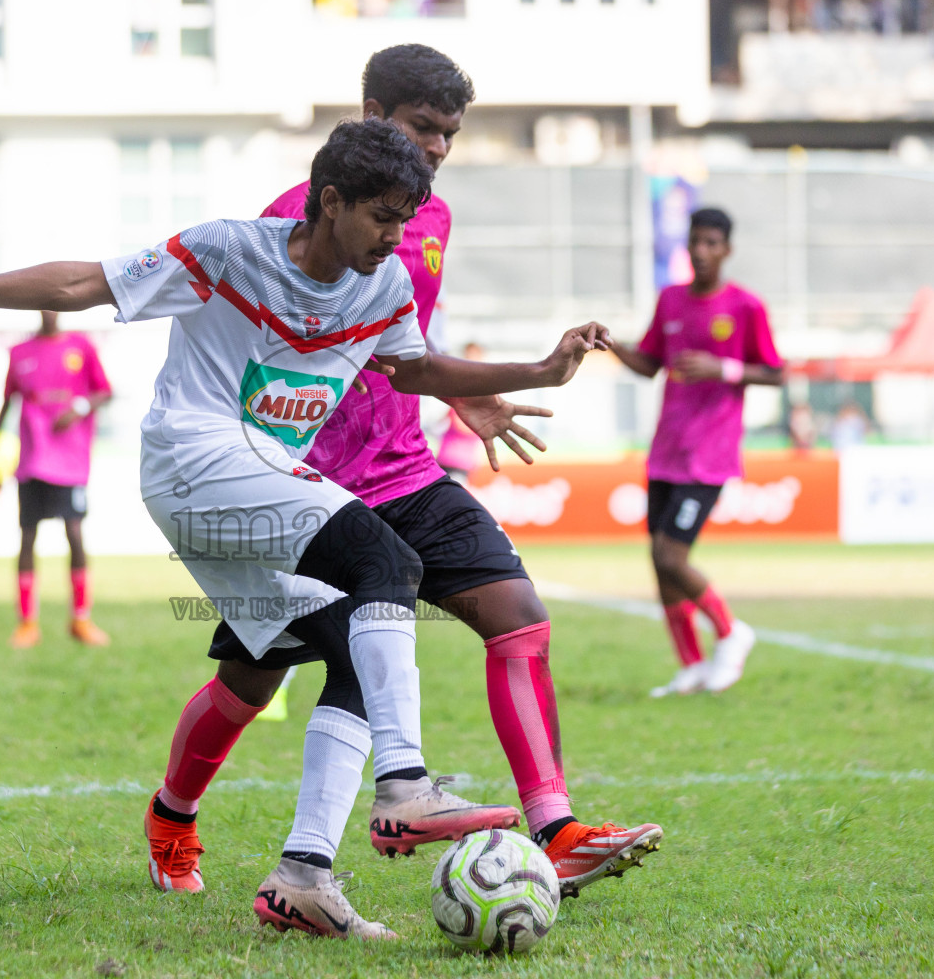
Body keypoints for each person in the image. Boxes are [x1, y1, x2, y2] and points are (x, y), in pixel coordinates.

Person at [0, 118, 612, 938]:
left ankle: (302, 876)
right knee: (387, 563)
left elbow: (415, 368)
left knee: (352, 636)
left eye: (405, 218)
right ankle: (403, 787)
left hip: (256, 481)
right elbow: (82, 285)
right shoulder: (228, 251)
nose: (396, 236)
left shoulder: (383, 284)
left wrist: (536, 370)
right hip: (191, 459)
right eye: (383, 216)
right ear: (330, 201)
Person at [144, 45, 661, 907]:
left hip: (404, 470)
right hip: (301, 485)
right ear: (374, 113)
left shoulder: (433, 219)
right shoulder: (295, 216)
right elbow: (269, 353)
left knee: (517, 615)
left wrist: (475, 395)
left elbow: (401, 350)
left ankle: (556, 830)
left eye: (451, 134)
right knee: (255, 678)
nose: (439, 148)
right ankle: (175, 816)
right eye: (424, 127)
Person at [612, 207, 785, 697]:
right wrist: (610, 344)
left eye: (712, 243)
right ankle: (690, 664)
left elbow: (776, 372)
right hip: (666, 449)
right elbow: (649, 364)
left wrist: (722, 367)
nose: (703, 251)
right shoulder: (670, 300)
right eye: (696, 242)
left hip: (709, 455)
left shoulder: (746, 307)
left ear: (727, 249)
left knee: (672, 556)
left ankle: (731, 632)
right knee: (659, 561)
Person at [0, 311, 113, 649]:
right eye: (43, 304)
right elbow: (7, 403)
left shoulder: (81, 347)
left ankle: (80, 619)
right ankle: (28, 623)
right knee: (27, 536)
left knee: (74, 532)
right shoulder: (19, 352)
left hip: (70, 460)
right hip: (32, 459)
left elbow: (104, 391)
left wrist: (79, 407)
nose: (50, 311)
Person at [436, 341, 488, 484]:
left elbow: (467, 426)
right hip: (444, 457)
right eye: (467, 356)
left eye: (473, 356)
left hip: (461, 462)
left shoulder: (485, 389)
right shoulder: (460, 386)